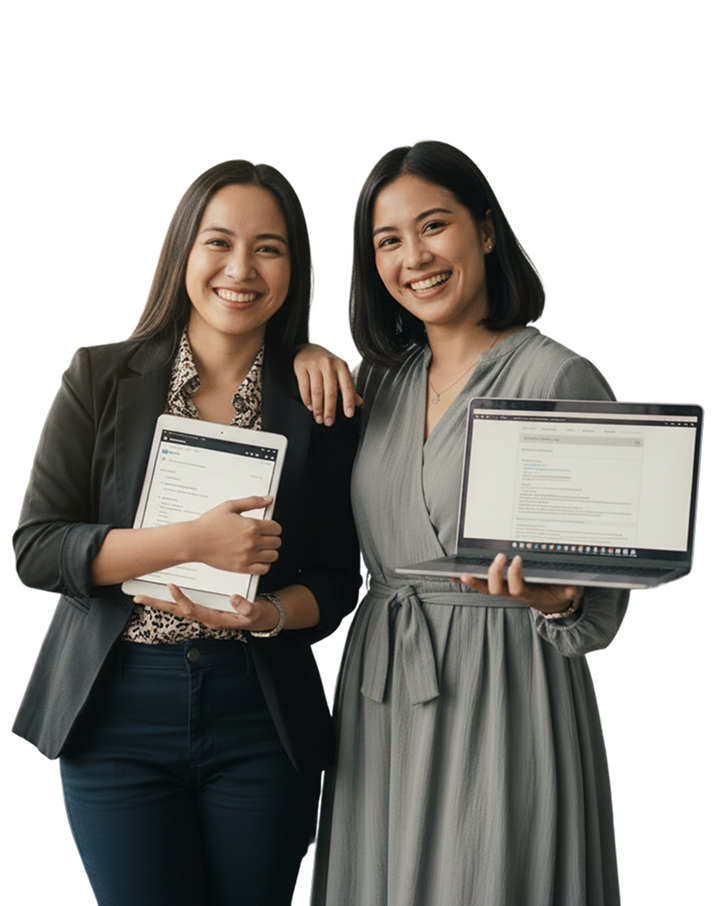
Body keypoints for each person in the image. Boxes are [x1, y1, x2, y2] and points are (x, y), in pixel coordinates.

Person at [12, 159, 362, 906]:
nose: (241, 268)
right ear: (182, 253)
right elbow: (38, 548)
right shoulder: (99, 375)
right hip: (115, 711)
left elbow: (339, 577)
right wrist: (190, 543)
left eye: (268, 247)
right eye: (219, 242)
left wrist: (271, 612)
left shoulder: (319, 399)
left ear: (294, 267)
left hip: (260, 717)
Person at [294, 140, 628, 905]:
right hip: (379, 691)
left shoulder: (558, 377)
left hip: (504, 688)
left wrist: (562, 600)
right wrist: (302, 348)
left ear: (484, 230)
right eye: (388, 240)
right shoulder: (374, 380)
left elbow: (604, 597)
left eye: (433, 225)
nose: (415, 256)